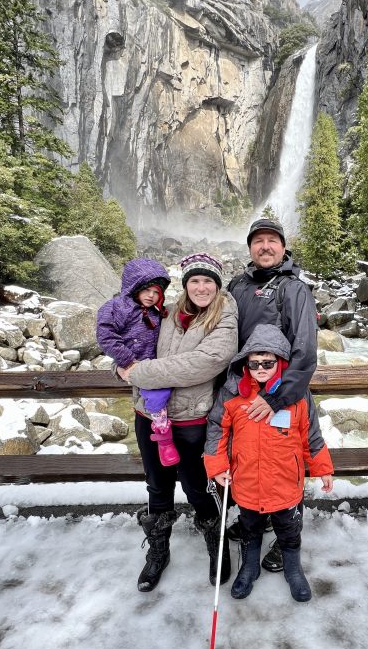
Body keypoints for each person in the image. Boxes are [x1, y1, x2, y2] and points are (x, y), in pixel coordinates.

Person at [116, 253, 239, 593]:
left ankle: (218, 547)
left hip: (191, 419)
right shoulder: (166, 313)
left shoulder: (226, 318)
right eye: (195, 281)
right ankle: (158, 550)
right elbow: (131, 341)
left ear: (217, 286)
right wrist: (122, 364)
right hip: (150, 415)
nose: (201, 287)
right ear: (186, 284)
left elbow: (202, 364)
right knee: (157, 485)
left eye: (208, 281)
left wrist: (138, 373)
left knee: (197, 486)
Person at [204, 324, 333, 602]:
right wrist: (217, 466)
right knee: (250, 527)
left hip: (286, 482)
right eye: (254, 363)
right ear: (245, 364)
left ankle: (293, 567)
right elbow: (217, 429)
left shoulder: (296, 396)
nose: (261, 368)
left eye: (268, 362)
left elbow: (311, 434)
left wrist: (322, 468)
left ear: (281, 363)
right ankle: (249, 566)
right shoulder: (232, 395)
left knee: (289, 528)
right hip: (247, 482)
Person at [227, 217, 319, 572]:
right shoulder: (237, 285)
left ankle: (287, 538)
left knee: (287, 464)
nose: (265, 246)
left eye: (272, 241)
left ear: (283, 247)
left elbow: (305, 350)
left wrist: (277, 397)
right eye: (258, 241)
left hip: (282, 395)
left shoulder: (294, 289)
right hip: (245, 392)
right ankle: (259, 516)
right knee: (251, 459)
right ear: (250, 247)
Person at [96, 258, 179, 466]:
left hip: (153, 365)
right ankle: (164, 439)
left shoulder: (155, 312)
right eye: (147, 291)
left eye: (157, 292)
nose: (152, 296)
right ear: (135, 287)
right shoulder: (115, 307)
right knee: (157, 400)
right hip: (135, 365)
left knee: (165, 394)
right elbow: (106, 336)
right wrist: (126, 361)